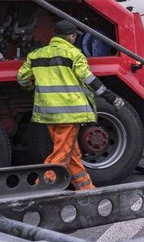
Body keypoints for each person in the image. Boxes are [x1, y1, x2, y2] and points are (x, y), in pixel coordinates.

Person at [16, 19, 124, 191]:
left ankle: (86, 188)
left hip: (47, 113)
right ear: (71, 36)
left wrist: (34, 88)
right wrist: (110, 97)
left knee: (71, 152)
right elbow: (88, 79)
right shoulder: (74, 54)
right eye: (74, 36)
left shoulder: (36, 55)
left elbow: (22, 78)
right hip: (69, 113)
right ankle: (40, 187)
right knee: (62, 153)